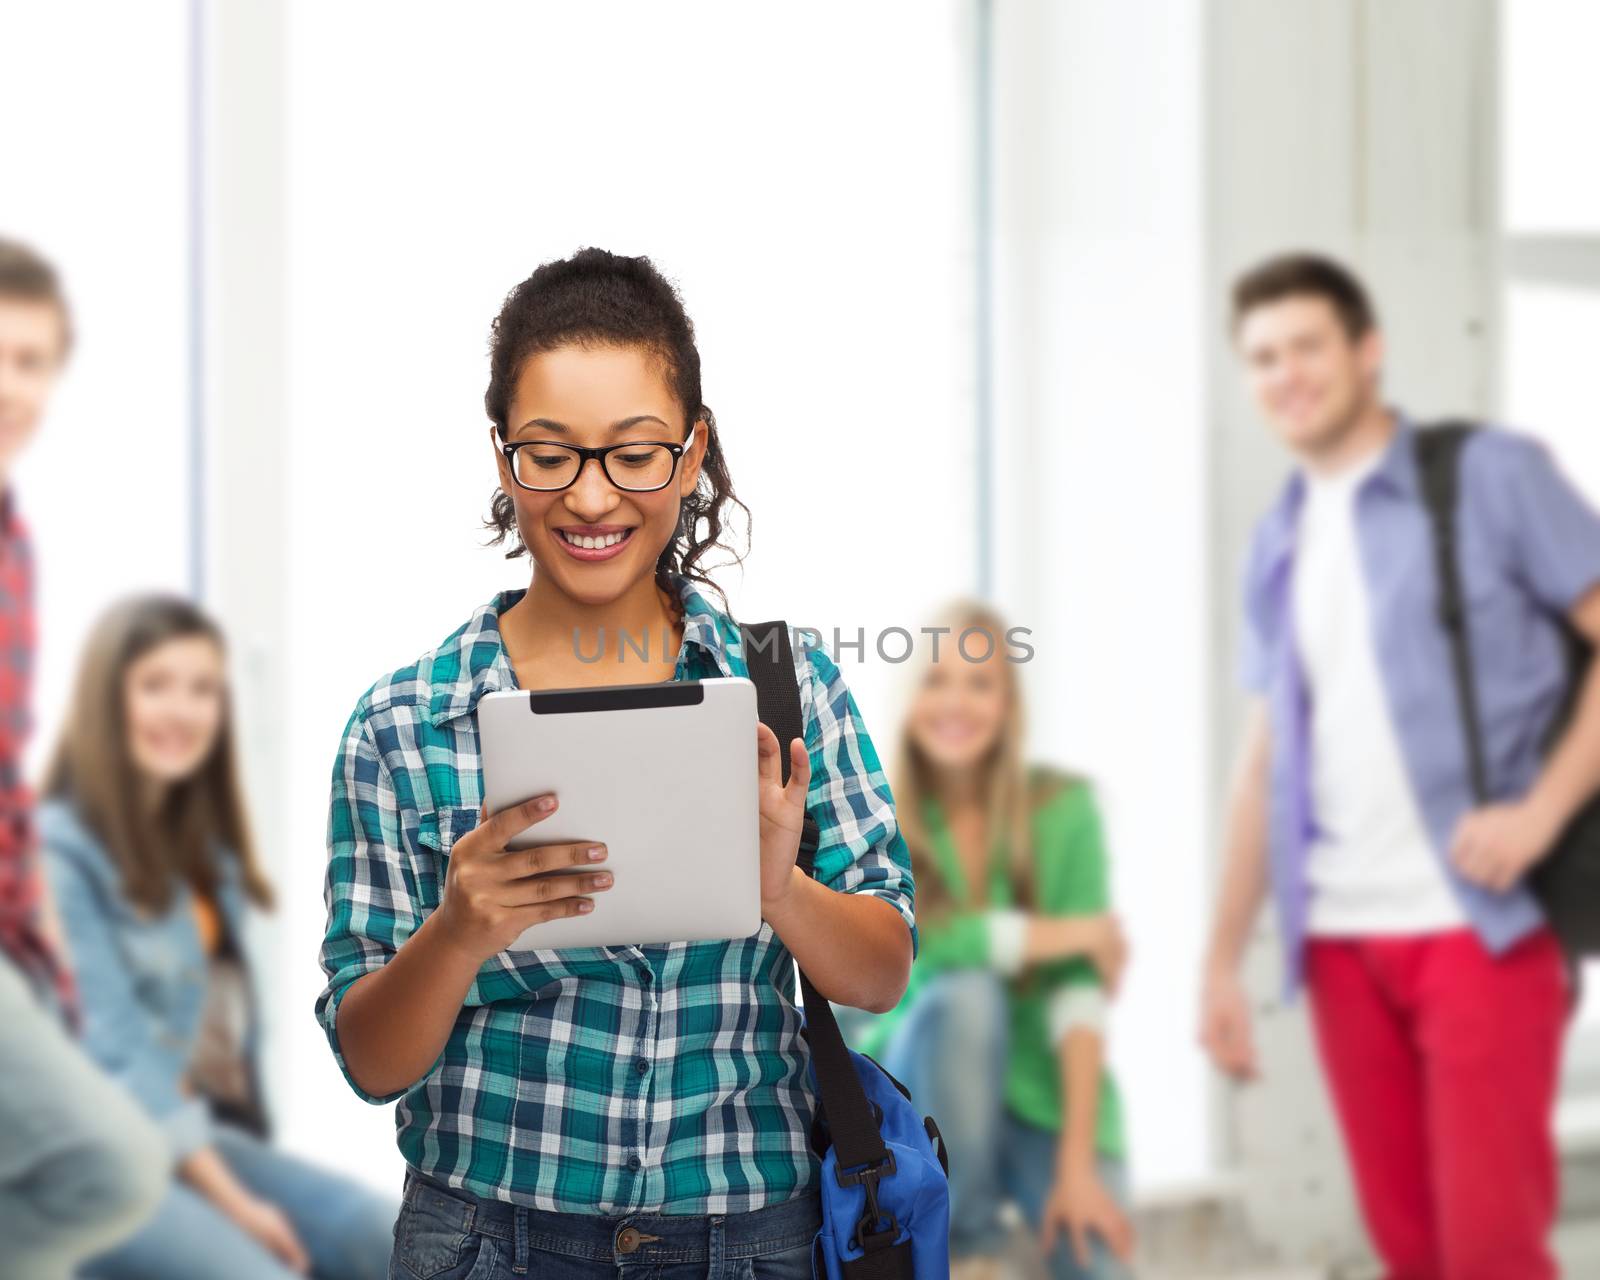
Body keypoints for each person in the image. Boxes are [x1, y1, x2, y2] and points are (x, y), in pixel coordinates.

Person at [314, 247, 917, 1280]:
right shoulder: (400, 722)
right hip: (484, 1241)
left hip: (745, 1241)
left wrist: (781, 889)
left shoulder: (790, 688)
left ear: (691, 454)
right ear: (504, 458)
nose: (593, 498)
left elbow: (883, 967)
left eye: (634, 452)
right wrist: (458, 933)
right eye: (550, 453)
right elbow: (371, 1062)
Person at [1199, 251, 1600, 1280]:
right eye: (1261, 357)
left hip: (1481, 922)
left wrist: (1540, 813)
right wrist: (1220, 957)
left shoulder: (1488, 476)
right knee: (1409, 1250)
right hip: (1338, 936)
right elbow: (1264, 761)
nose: (1284, 372)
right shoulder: (1278, 538)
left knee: (1488, 1251)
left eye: (1305, 345)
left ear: (1365, 350)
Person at [39, 594, 397, 1280]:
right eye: (156, 686)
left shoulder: (203, 858)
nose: (183, 710)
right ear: (105, 702)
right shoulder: (58, 857)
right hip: (78, 1163)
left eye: (202, 689)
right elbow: (122, 1066)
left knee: (382, 1238)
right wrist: (237, 1207)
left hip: (183, 1144)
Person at [846, 600, 1134, 1280]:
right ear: (912, 698)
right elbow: (915, 957)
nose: (957, 703)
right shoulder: (879, 814)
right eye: (937, 680)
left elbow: (1078, 993)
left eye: (980, 683)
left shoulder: (1062, 809)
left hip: (1039, 1095)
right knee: (968, 999)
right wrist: (1056, 934)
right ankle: (965, 1243)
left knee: (1098, 1262)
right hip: (921, 1092)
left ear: (1008, 704)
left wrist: (1076, 1169)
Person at [0, 238, 167, 1280]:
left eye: (32, 360)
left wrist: (43, 950)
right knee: (108, 1167)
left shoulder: (15, 543)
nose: (14, 385)